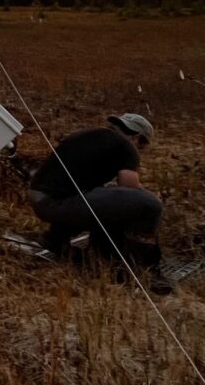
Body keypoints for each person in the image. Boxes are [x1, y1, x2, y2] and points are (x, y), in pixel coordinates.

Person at [28, 113, 167, 284]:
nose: (140, 150)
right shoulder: (125, 146)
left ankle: (56, 239)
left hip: (40, 199)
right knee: (149, 204)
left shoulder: (90, 135)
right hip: (56, 203)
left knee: (103, 195)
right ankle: (121, 257)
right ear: (138, 138)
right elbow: (128, 189)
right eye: (142, 146)